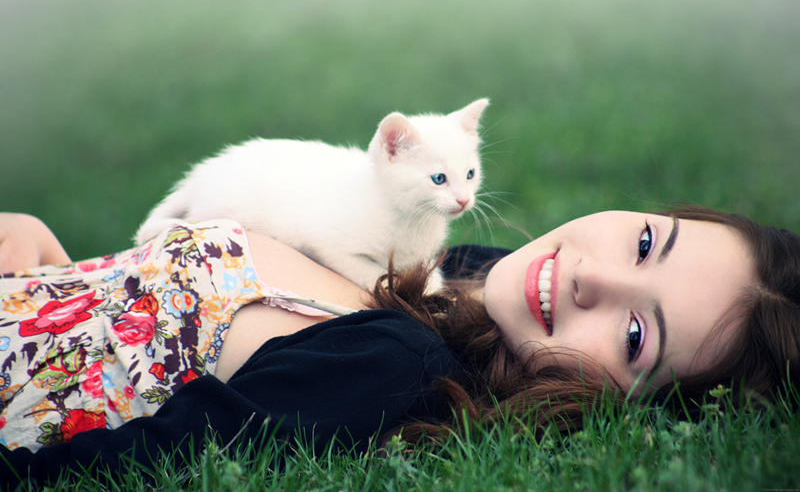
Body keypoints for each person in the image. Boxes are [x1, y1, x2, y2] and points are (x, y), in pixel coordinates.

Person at [0, 207, 798, 487]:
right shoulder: (471, 284)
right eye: (647, 240)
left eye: (635, 335)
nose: (595, 276)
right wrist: (53, 270)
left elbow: (112, 466)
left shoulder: (393, 365)